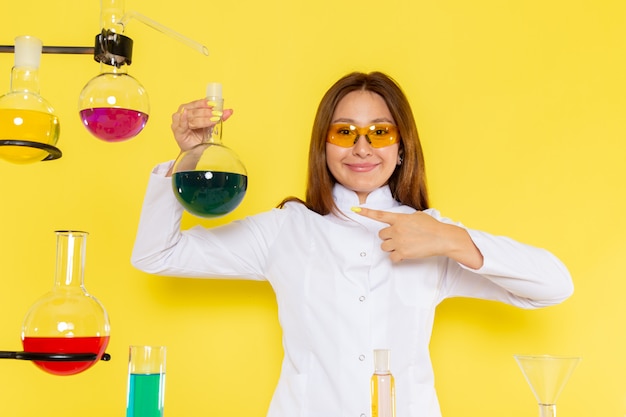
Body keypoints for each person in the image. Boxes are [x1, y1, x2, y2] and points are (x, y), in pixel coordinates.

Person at [131, 71, 573, 417]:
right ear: (323, 146)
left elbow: (554, 286)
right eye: (344, 132)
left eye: (380, 132)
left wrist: (448, 238)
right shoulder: (285, 231)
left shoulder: (434, 239)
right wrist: (188, 156)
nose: (362, 147)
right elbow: (157, 254)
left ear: (402, 148)